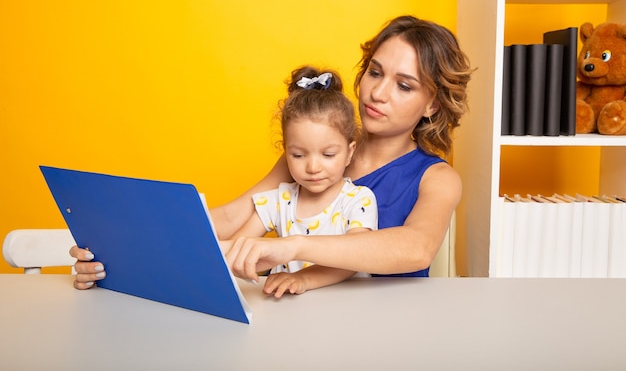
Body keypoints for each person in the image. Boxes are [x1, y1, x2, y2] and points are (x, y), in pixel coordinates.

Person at [70, 15, 472, 289]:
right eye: (375, 72)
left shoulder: (436, 177)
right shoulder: (311, 153)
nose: (378, 92)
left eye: (405, 85)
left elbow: (414, 247)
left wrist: (290, 246)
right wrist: (124, 248)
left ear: (433, 104)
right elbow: (235, 216)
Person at [227, 66, 378, 297]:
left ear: (349, 152)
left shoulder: (358, 200)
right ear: (285, 152)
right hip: (288, 314)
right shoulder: (279, 200)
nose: (313, 167)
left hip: (347, 312)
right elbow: (238, 247)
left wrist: (303, 279)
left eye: (328, 155)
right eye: (298, 155)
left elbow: (356, 257)